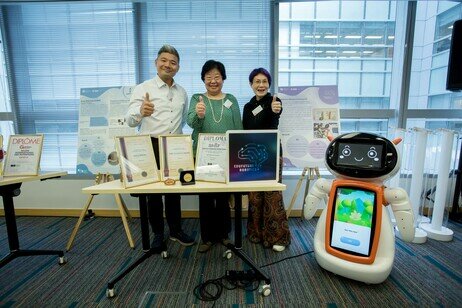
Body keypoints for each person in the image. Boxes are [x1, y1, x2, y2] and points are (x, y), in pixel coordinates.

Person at [125, 44, 195, 249]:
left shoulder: (182, 92)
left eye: (173, 62)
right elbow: (129, 121)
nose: (168, 65)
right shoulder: (143, 88)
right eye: (163, 60)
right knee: (153, 194)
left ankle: (175, 230)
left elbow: (182, 120)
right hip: (151, 144)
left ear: (178, 67)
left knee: (175, 192)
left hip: (174, 145)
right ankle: (157, 233)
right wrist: (140, 111)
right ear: (156, 63)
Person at [187, 60, 243, 253]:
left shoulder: (232, 100)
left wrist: (238, 155)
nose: (213, 81)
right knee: (205, 197)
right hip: (202, 156)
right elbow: (191, 123)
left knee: (222, 197)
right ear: (203, 79)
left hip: (226, 156)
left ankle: (224, 234)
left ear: (223, 79)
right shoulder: (197, 99)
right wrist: (199, 115)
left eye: (217, 77)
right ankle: (207, 237)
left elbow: (238, 128)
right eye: (209, 77)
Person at [242, 67, 291, 252]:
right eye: (257, 81)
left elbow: (273, 120)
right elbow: (247, 129)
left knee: (272, 195)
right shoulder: (247, 106)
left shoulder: (274, 101)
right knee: (254, 196)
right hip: (252, 156)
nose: (261, 85)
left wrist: (274, 111)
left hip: (271, 154)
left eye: (264, 81)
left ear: (268, 84)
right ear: (251, 84)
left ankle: (278, 237)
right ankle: (256, 233)